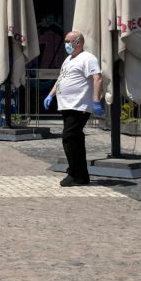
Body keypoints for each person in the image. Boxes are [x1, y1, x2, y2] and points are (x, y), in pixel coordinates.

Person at [43, 30, 104, 187]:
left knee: (69, 138)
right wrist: (51, 95)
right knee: (76, 140)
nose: (66, 44)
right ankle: (82, 176)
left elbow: (97, 78)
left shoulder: (88, 58)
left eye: (68, 41)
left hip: (79, 105)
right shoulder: (68, 59)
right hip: (67, 105)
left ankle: (74, 173)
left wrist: (96, 101)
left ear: (78, 42)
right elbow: (61, 79)